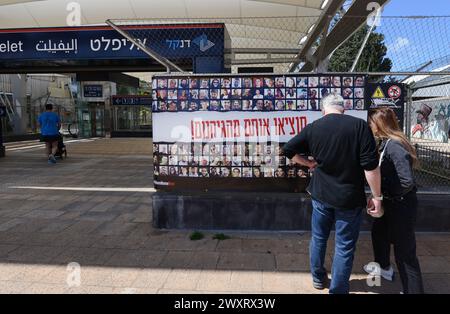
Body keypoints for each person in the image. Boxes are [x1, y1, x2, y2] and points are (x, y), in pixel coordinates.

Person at [282, 94, 382, 294]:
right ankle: (337, 289)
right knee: (344, 246)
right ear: (343, 109)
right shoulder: (359, 126)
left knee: (318, 238)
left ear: (323, 110)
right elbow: (370, 167)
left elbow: (289, 149)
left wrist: (309, 163)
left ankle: (318, 278)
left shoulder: (315, 127)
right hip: (349, 198)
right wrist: (377, 197)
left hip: (321, 196)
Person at [364, 108, 424, 294]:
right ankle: (383, 267)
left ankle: (413, 291)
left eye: (371, 122)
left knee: (405, 253)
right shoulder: (387, 143)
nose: (369, 126)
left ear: (379, 124)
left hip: (401, 205)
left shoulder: (395, 146)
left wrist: (384, 195)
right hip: (392, 202)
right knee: (379, 233)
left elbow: (406, 181)